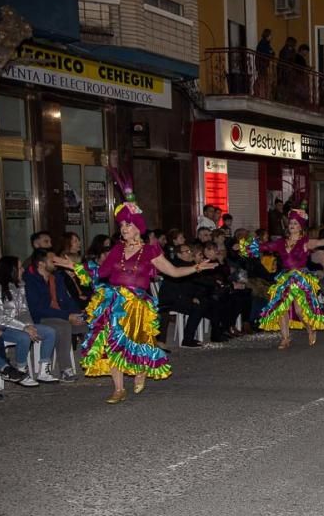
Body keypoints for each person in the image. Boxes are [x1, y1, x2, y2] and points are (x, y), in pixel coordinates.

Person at [64, 171, 215, 404]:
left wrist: (197, 267)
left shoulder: (150, 251)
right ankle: (117, 388)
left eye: (128, 224)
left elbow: (173, 272)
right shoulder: (116, 250)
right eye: (122, 224)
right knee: (112, 342)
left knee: (138, 342)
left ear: (137, 228)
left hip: (137, 305)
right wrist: (76, 267)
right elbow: (100, 274)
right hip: (115, 303)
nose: (124, 228)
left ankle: (141, 370)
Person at [237, 204, 324, 349]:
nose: (292, 225)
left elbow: (318, 242)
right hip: (285, 278)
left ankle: (310, 329)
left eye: (295, 223)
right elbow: (265, 246)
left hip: (300, 278)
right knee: (281, 308)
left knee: (300, 311)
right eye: (291, 223)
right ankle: (285, 339)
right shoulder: (281, 242)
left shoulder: (305, 242)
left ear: (301, 227)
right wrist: (244, 246)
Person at [0, 256, 58, 386]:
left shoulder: (20, 285)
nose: (22, 270)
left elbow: (25, 310)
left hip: (19, 325)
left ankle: (43, 371)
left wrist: (29, 326)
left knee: (49, 332)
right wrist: (24, 328)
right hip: (0, 327)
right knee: (24, 337)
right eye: (20, 268)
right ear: (11, 270)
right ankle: (21, 370)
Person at [24, 248, 87, 381]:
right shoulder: (30, 279)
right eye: (52, 260)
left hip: (60, 314)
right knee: (63, 326)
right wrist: (67, 316)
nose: (56, 262)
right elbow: (37, 309)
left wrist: (77, 314)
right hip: (41, 318)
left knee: (89, 323)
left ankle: (94, 361)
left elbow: (66, 300)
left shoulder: (56, 277)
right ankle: (65, 369)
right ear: (41, 263)